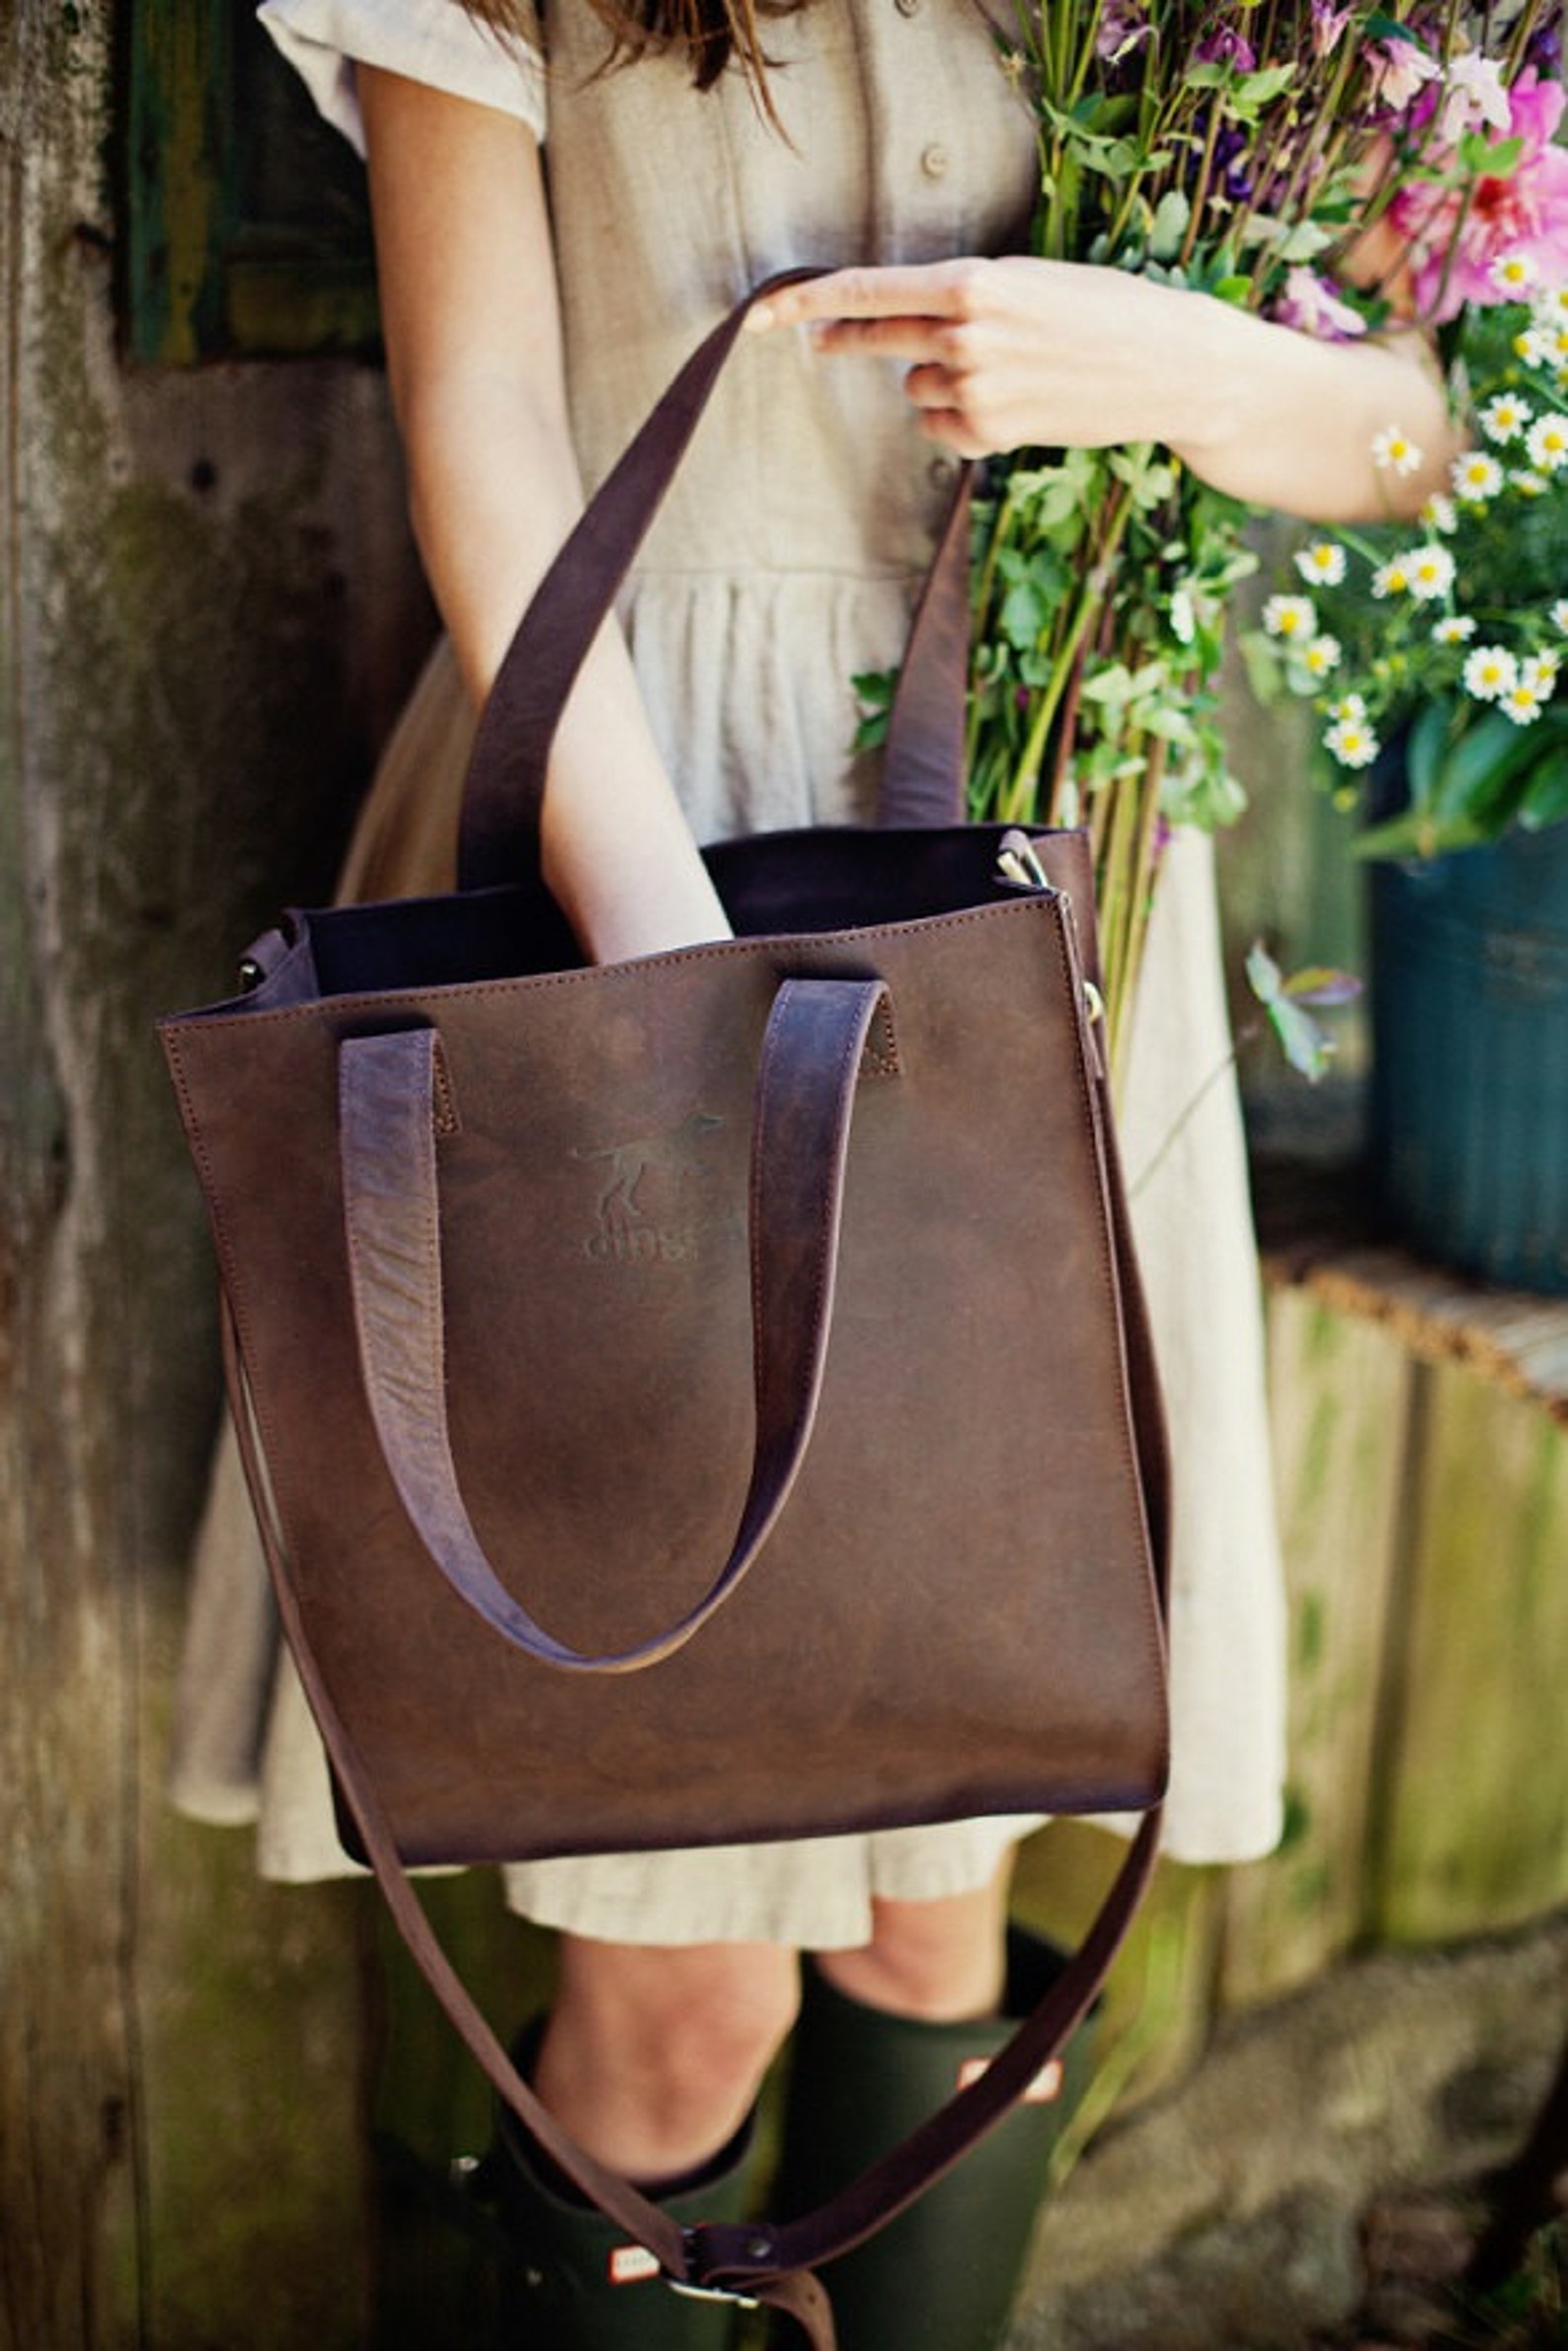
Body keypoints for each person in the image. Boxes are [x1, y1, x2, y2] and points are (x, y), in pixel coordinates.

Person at [172, 0, 1459, 2341]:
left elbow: (1411, 440)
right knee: (685, 1992)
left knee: (934, 1907)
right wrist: (685, 1005)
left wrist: (1166, 359)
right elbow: (477, 412)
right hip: (632, 818)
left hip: (1023, 868)